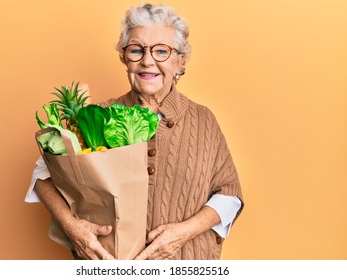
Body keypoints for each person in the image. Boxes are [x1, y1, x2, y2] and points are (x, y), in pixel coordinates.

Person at [26, 3, 244, 260]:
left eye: (161, 51)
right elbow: (42, 175)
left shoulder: (203, 120)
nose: (147, 61)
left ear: (180, 61)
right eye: (136, 50)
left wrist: (182, 233)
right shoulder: (95, 116)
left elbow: (230, 196)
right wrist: (71, 226)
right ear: (124, 57)